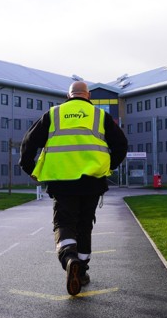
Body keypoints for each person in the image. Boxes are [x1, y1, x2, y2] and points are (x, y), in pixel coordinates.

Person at [19, 81, 128, 296]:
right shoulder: (99, 116)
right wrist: (108, 166)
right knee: (85, 225)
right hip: (92, 181)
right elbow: (121, 145)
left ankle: (69, 258)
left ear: (68, 96)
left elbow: (29, 142)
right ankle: (82, 271)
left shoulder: (54, 114)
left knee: (64, 222)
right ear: (88, 96)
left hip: (61, 182)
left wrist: (29, 168)